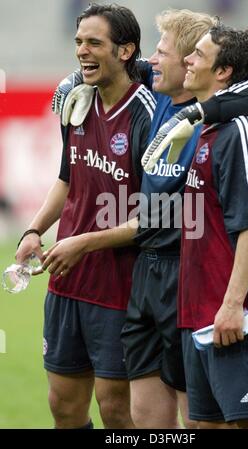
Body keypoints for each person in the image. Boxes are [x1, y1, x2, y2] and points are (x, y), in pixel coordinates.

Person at [46, 9, 248, 428]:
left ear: (196, 62)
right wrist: (72, 80)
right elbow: (116, 60)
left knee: (204, 419)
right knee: (145, 419)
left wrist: (83, 241)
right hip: (146, 277)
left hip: (185, 275)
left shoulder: (216, 123)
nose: (153, 60)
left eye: (164, 52)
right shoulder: (157, 95)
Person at [16, 3, 155, 429]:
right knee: (63, 405)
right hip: (66, 278)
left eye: (95, 42)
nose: (82, 51)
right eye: (79, 42)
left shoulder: (147, 115)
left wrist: (82, 243)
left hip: (119, 286)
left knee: (115, 408)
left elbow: (156, 217)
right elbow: (66, 178)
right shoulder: (75, 102)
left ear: (126, 50)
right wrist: (35, 229)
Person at [179, 25, 248, 429]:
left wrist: (232, 305)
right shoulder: (210, 127)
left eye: (199, 55)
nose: (188, 60)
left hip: (236, 318)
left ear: (223, 71)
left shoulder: (240, 130)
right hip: (200, 314)